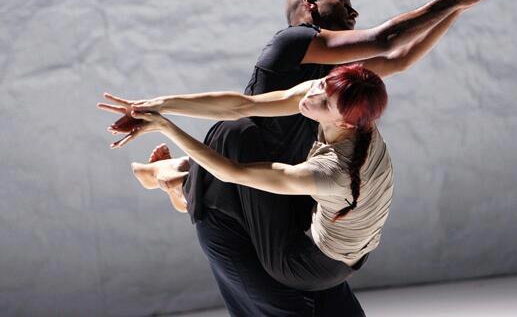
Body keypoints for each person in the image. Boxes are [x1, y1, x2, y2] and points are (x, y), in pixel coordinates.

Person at [98, 0, 510, 316]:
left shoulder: (333, 82)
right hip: (245, 161)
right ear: (311, 5)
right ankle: (181, 183)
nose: (353, 10)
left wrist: (457, 9)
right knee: (239, 176)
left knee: (271, 188)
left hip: (284, 181)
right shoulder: (293, 42)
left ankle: (176, 180)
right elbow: (241, 107)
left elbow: (398, 59)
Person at [102, 64, 391, 290]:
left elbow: (232, 173)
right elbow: (244, 105)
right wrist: (154, 105)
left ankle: (178, 184)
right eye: (323, 84)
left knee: (238, 159)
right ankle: (181, 177)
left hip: (307, 267)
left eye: (325, 104)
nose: (313, 96)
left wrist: (165, 126)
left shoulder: (334, 171)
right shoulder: (354, 115)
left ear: (344, 122)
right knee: (240, 132)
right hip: (331, 229)